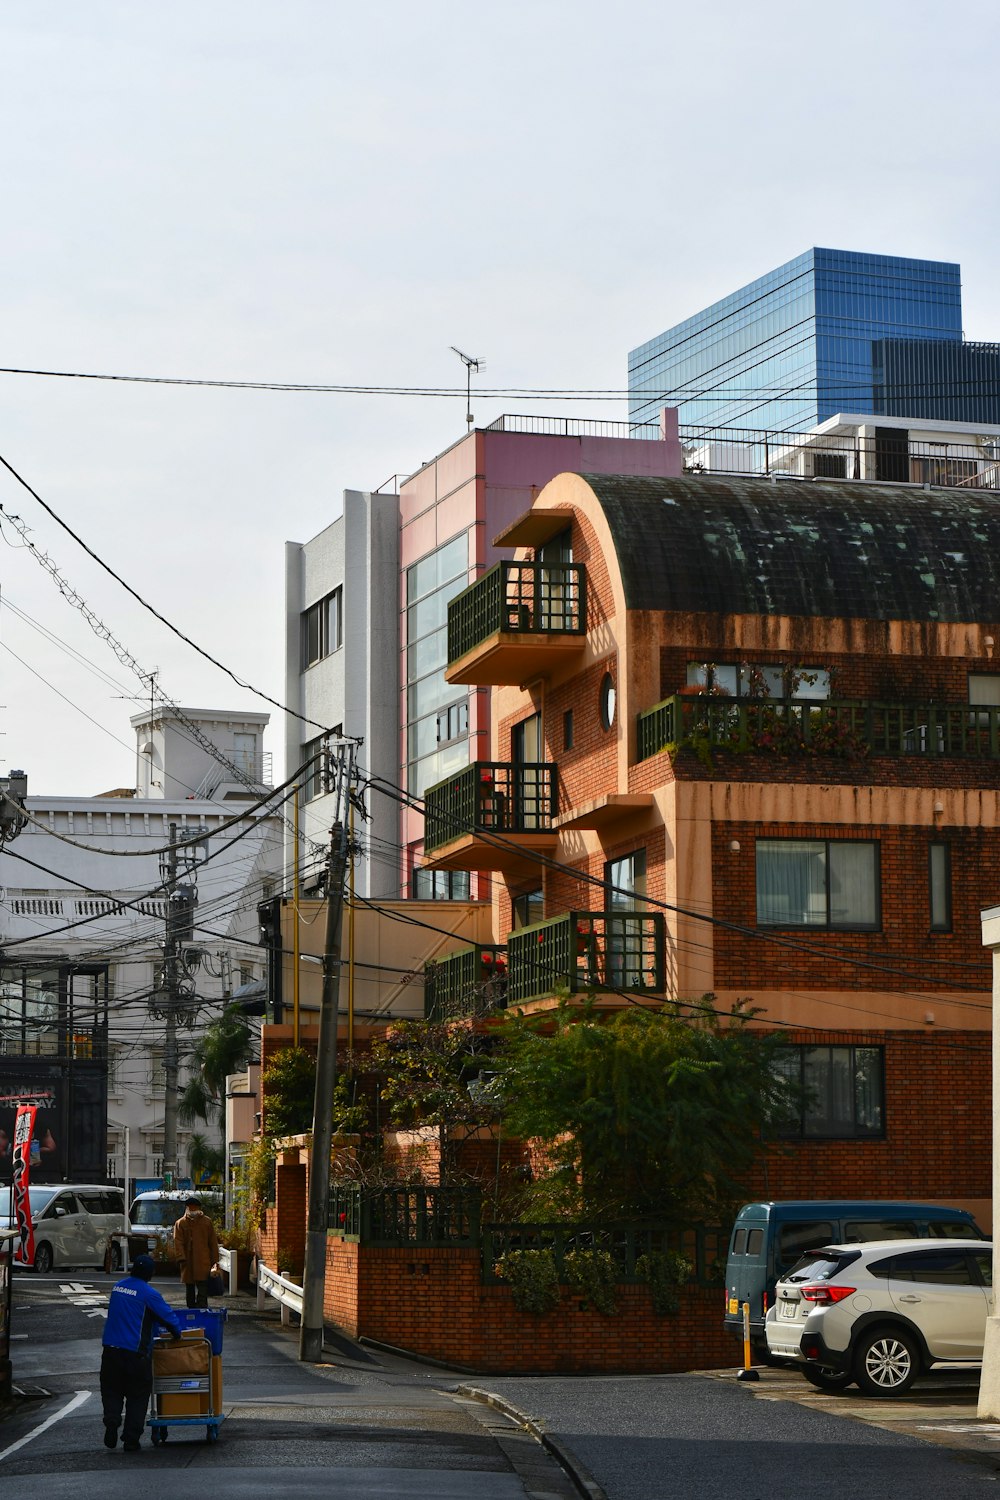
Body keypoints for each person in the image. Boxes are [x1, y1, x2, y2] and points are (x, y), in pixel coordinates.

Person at [101, 1253, 181, 1452]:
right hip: (135, 1354)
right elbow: (168, 1318)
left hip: (110, 1350)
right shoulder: (148, 1293)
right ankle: (131, 1439)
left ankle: (111, 1422)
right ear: (150, 1274)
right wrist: (177, 1333)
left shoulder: (117, 1287)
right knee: (137, 1396)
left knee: (112, 1391)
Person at [173, 1196, 220, 1309]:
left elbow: (213, 1242)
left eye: (194, 1208)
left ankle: (201, 1309)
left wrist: (215, 1260)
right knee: (190, 1288)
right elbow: (177, 1242)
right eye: (190, 1208)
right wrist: (181, 1257)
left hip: (203, 1260)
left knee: (203, 1287)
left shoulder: (206, 1222)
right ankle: (193, 1309)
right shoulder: (180, 1223)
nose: (192, 1210)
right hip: (188, 1261)